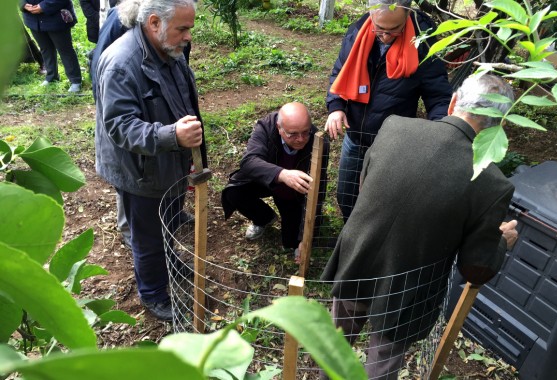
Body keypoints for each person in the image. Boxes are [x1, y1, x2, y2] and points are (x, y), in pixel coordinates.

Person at [320, 74, 519, 379]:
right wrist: (500, 242)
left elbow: (365, 185)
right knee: (381, 367)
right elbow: (475, 269)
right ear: (501, 123)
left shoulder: (395, 126)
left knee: (335, 350)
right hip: (407, 291)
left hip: (356, 260)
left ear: (453, 101)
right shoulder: (492, 183)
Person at [94, 0, 206, 321]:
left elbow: (184, 100)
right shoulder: (121, 63)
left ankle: (169, 264)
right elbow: (120, 126)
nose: (187, 37)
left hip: (168, 164)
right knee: (147, 238)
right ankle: (153, 293)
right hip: (139, 172)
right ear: (154, 22)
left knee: (169, 223)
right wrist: (173, 135)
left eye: (189, 28)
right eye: (182, 29)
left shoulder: (168, 51)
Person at [325, 0, 452, 221]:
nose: (385, 36)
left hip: (393, 143)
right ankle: (352, 235)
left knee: (381, 202)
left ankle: (373, 244)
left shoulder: (422, 42)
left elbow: (438, 95)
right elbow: (340, 71)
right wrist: (336, 107)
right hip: (356, 135)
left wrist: (441, 131)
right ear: (371, 15)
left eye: (394, 29)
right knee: (346, 197)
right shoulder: (358, 31)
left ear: (407, 15)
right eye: (380, 28)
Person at [221, 102, 329, 257]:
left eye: (305, 132)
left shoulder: (319, 143)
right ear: (279, 128)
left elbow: (318, 191)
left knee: (291, 243)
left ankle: (293, 232)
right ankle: (264, 218)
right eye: (293, 134)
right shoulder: (266, 127)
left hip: (294, 192)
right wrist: (282, 174)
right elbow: (249, 162)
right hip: (266, 181)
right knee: (234, 193)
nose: (300, 139)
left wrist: (305, 239)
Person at [19, 0, 83, 93]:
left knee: (65, 50)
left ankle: (75, 80)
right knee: (45, 48)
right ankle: (52, 77)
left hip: (56, 17)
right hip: (33, 18)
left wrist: (44, 6)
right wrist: (23, 4)